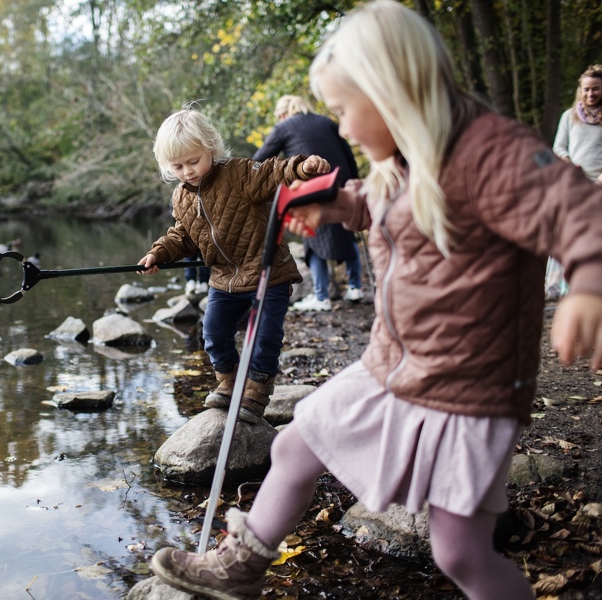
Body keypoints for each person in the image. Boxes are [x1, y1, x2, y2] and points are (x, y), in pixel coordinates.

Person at [149, 3, 602, 600]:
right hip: (395, 363)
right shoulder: (401, 159)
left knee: (459, 551)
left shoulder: (492, 152)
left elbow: (577, 206)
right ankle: (243, 566)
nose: (343, 130)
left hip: (470, 384)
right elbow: (388, 200)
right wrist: (336, 203)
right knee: (294, 442)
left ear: (392, 90)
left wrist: (589, 285)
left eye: (343, 111)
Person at [138, 104, 330, 424]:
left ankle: (257, 388)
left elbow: (273, 171)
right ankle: (228, 382)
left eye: (194, 161)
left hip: (267, 272)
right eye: (178, 166)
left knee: (265, 336)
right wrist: (158, 253)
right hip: (224, 278)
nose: (188, 171)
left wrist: (303, 167)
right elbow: (183, 235)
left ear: (211, 148)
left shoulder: (238, 173)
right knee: (213, 332)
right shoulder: (181, 198)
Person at [253, 94, 364, 311]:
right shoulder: (327, 122)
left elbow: (260, 159)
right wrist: (353, 182)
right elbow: (348, 155)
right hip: (340, 181)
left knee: (312, 240)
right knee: (347, 232)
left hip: (311, 187)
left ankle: (321, 297)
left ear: (283, 114)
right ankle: (355, 287)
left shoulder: (284, 126)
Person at [547, 64, 602, 299]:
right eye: (587, 89)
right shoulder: (569, 117)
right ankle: (565, 284)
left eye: (596, 89)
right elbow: (558, 147)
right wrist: (569, 164)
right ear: (581, 90)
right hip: (575, 181)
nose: (591, 94)